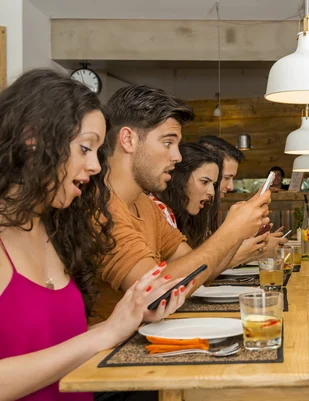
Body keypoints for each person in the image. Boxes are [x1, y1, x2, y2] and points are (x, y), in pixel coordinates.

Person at [0, 69, 186, 401]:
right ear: (33, 138)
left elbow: (59, 345)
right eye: (85, 148)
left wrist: (128, 318)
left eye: (97, 152)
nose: (96, 166)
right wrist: (105, 334)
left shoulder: (57, 230)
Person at [94, 85, 271, 321]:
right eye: (168, 143)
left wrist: (240, 230)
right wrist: (230, 231)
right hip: (108, 353)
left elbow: (198, 269)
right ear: (128, 139)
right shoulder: (100, 208)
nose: (177, 157)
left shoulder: (144, 204)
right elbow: (154, 293)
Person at [155, 141, 269, 268]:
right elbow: (196, 270)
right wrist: (234, 229)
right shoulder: (158, 209)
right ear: (179, 178)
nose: (211, 192)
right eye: (204, 182)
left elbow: (200, 270)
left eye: (214, 185)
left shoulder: (194, 214)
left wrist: (240, 232)